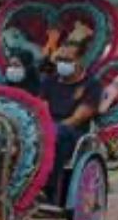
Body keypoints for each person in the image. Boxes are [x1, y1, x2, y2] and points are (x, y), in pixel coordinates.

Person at [38, 41, 102, 204]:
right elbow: (42, 108)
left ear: (79, 61)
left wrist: (51, 129)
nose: (62, 64)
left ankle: (48, 190)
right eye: (60, 59)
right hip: (46, 127)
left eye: (67, 60)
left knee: (56, 135)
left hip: (74, 132)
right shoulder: (49, 82)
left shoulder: (91, 85)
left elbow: (78, 117)